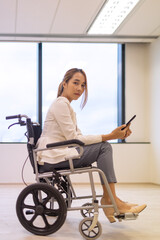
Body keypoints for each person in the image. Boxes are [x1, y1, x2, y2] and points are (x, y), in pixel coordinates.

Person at [37, 68, 146, 223]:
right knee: (104, 147)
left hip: (59, 153)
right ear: (64, 84)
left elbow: (78, 137)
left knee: (104, 145)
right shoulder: (60, 104)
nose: (79, 89)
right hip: (53, 157)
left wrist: (112, 135)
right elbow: (74, 138)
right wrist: (110, 136)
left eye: (83, 85)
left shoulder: (67, 107)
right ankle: (111, 200)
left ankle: (110, 199)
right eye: (76, 83)